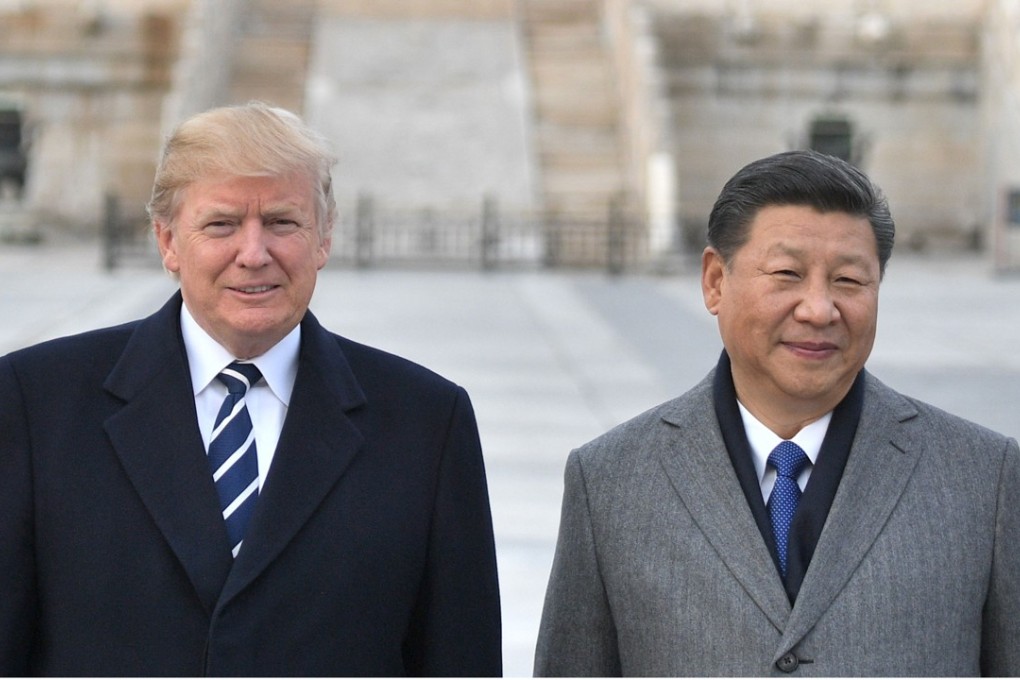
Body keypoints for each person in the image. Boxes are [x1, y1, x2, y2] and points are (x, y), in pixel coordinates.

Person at [0, 102, 501, 676]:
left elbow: (460, 658)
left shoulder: (427, 423)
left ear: (323, 237)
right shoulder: (34, 403)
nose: (255, 253)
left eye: (283, 222)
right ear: (167, 241)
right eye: (221, 224)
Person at [534, 150, 1019, 676]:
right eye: (787, 273)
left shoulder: (983, 477)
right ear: (715, 281)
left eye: (849, 281)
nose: (818, 309)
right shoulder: (611, 479)